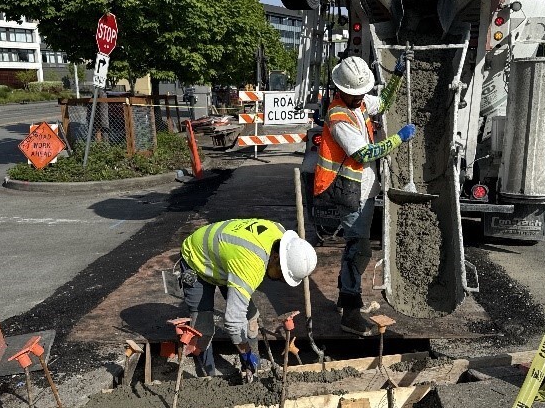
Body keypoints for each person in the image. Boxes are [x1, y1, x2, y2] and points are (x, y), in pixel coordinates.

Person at [313, 54, 416, 337]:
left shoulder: (357, 104)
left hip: (363, 190)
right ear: (343, 90)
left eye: (362, 93)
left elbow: (382, 103)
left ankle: (347, 296)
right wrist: (398, 138)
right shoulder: (338, 117)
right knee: (357, 248)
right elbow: (364, 152)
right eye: (356, 94)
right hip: (348, 192)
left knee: (359, 249)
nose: (361, 97)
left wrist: (396, 77)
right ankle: (350, 313)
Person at [178, 218, 317, 379]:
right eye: (282, 275)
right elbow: (233, 321)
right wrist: (245, 351)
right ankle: (208, 378)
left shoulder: (280, 234)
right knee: (202, 329)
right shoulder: (250, 266)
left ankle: (252, 369)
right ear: (276, 258)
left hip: (227, 258)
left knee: (251, 318)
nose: (281, 281)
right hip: (196, 258)